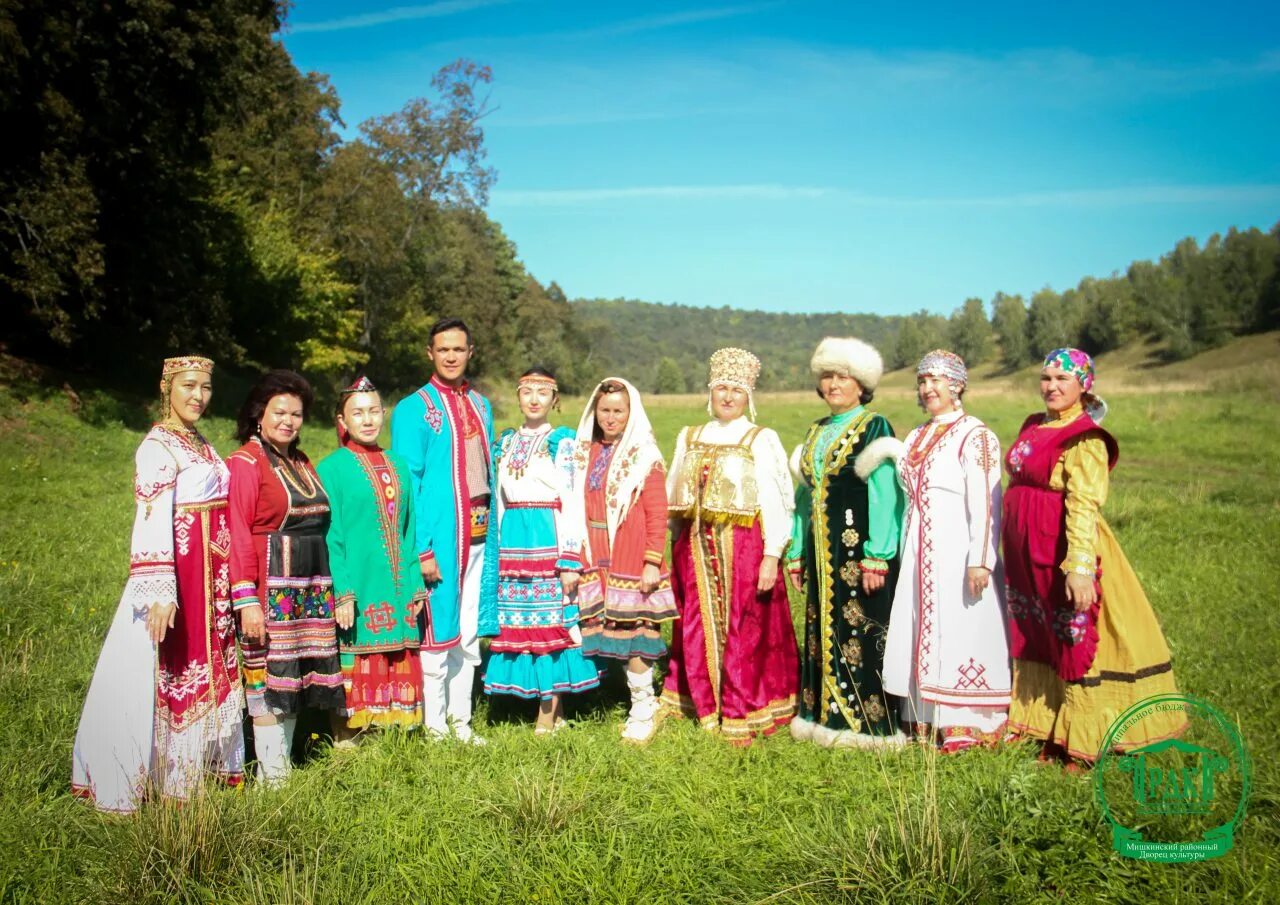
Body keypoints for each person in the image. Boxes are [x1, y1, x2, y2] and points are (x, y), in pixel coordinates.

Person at [72, 356, 244, 812]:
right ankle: (167, 778)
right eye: (189, 386)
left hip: (211, 573)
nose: (198, 396)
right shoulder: (156, 447)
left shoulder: (198, 442)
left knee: (210, 659)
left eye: (206, 387)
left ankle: (197, 769)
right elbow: (149, 522)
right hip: (181, 575)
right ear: (167, 387)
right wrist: (161, 590)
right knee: (174, 667)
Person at [1003, 348, 1186, 766]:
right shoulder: (1034, 424)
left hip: (1062, 547)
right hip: (1026, 552)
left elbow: (1083, 504)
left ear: (1083, 386)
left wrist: (1080, 568)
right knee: (1039, 630)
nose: (1051, 386)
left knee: (1074, 634)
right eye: (1046, 378)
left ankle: (1083, 739)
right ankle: (1044, 724)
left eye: (1062, 379)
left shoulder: (1085, 438)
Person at [661, 348, 799, 744]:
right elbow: (674, 492)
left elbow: (776, 499)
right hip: (694, 548)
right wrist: (672, 542)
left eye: (736, 390)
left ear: (748, 396)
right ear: (710, 391)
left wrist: (772, 554)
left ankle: (742, 707)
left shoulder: (760, 438)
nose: (727, 396)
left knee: (745, 627)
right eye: (721, 387)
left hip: (743, 546)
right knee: (694, 623)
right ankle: (701, 699)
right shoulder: (689, 436)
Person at [881, 350, 1010, 752]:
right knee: (919, 623)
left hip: (958, 548)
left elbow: (986, 501)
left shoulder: (976, 435)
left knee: (960, 625)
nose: (928, 388)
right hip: (919, 547)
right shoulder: (917, 435)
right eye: (922, 381)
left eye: (936, 380)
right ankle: (925, 715)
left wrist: (981, 559)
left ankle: (966, 720)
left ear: (957, 386)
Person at [786, 337, 906, 749]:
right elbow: (805, 496)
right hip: (822, 555)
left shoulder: (874, 426)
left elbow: (886, 493)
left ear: (861, 384)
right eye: (827, 376)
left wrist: (878, 555)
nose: (833, 384)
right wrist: (797, 550)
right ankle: (821, 715)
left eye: (843, 377)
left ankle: (867, 727)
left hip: (859, 552)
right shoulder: (816, 430)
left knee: (861, 629)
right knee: (822, 629)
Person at [228, 369, 343, 784]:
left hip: (309, 586)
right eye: (279, 412)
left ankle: (281, 773)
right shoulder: (245, 463)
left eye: (296, 414)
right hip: (269, 585)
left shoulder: (301, 461)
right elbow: (239, 531)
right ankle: (272, 777)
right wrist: (247, 601)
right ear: (259, 414)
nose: (288, 421)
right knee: (266, 683)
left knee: (293, 680)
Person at [391, 317, 496, 743]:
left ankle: (461, 722)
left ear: (470, 352)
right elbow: (407, 483)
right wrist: (421, 548)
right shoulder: (413, 408)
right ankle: (434, 726)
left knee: (468, 631)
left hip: (480, 534)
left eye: (458, 349)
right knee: (437, 630)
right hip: (441, 538)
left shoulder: (481, 404)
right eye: (443, 349)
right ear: (430, 353)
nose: (451, 356)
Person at [480, 367, 601, 733]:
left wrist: (570, 559)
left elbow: (572, 500)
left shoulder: (562, 443)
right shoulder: (505, 444)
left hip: (547, 537)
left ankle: (547, 714)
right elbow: (500, 501)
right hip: (512, 542)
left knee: (551, 625)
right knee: (522, 624)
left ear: (554, 399)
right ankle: (550, 708)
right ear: (518, 396)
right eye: (527, 391)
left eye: (542, 392)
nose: (534, 399)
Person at [316, 377, 427, 736]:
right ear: (342, 420)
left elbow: (408, 529)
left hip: (397, 584)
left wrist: (415, 582)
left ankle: (388, 736)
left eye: (374, 411)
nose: (367, 420)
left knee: (397, 652)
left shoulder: (398, 464)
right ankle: (347, 738)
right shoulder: (331, 468)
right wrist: (343, 592)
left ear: (384, 413)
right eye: (358, 413)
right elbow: (332, 536)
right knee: (356, 652)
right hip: (359, 584)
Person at [571, 377, 678, 744]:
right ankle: (614, 692)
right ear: (594, 411)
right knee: (605, 628)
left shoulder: (645, 456)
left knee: (636, 634)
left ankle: (643, 708)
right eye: (605, 410)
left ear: (631, 413)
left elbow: (657, 512)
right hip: (595, 551)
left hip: (630, 555)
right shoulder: (584, 452)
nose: (611, 417)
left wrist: (652, 560)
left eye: (619, 410)